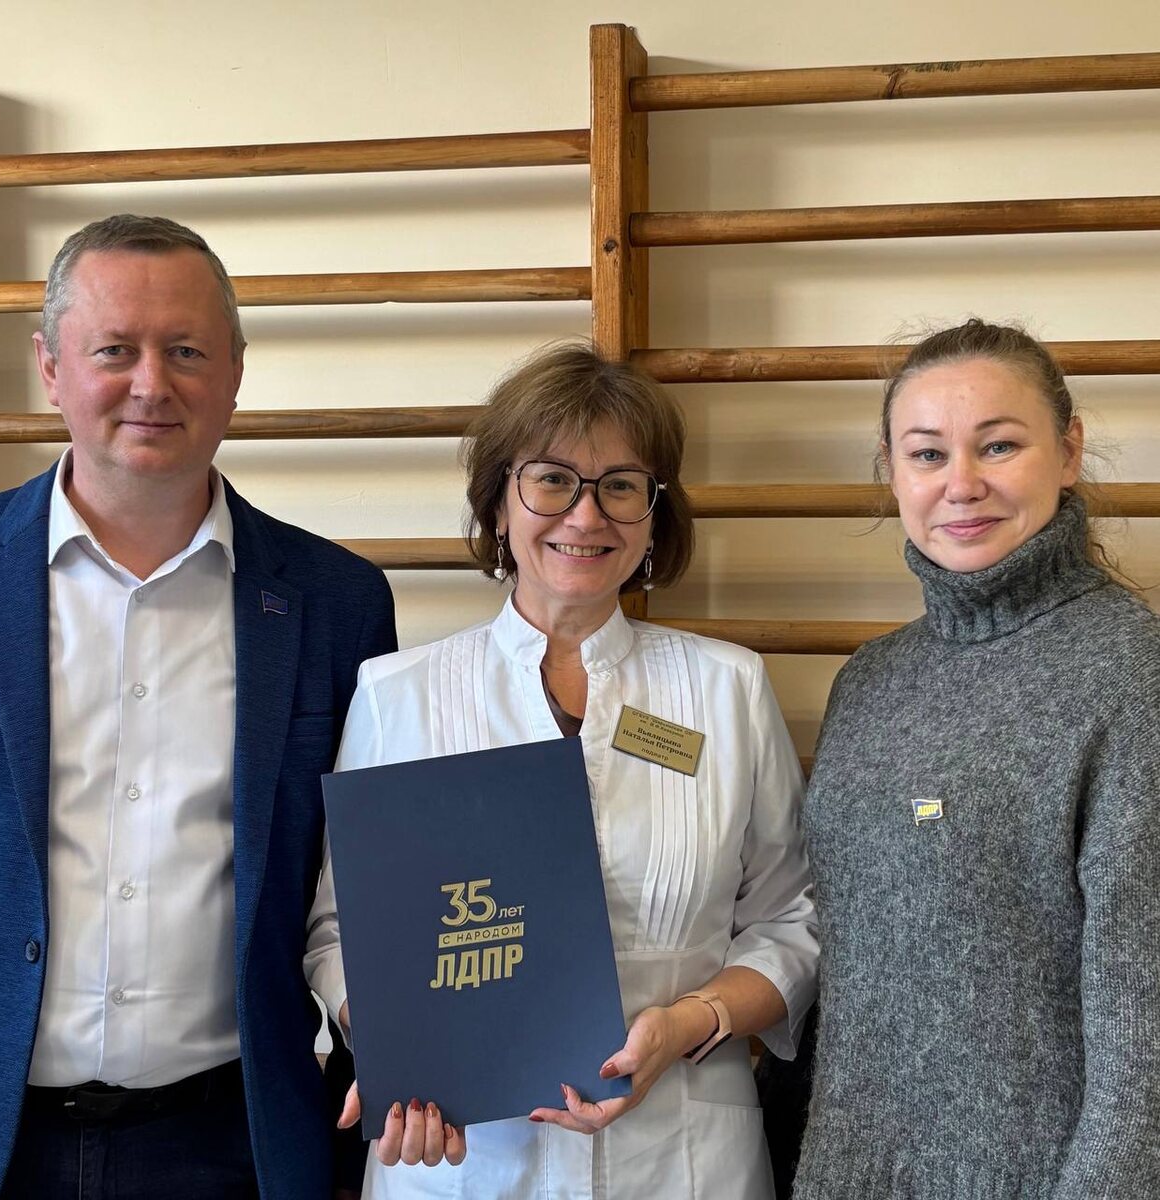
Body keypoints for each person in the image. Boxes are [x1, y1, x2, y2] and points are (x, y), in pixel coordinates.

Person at [304, 342, 819, 1198]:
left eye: (620, 485)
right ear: (498, 503)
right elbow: (338, 931)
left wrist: (691, 1021)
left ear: (654, 515)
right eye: (551, 480)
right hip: (463, 1160)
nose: (586, 516)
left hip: (683, 1159)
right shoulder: (397, 695)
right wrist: (406, 1049)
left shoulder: (726, 688)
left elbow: (791, 918)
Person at [0, 214, 396, 1200]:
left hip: (233, 1145)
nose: (151, 384)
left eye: (186, 351)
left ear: (237, 371)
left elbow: (367, 887)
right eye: (114, 351)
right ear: (50, 367)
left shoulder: (338, 605)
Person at [792, 319, 1160, 1197]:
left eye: (998, 445)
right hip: (848, 1171)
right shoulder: (869, 680)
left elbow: (1144, 1029)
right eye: (928, 454)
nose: (961, 484)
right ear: (892, 472)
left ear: (1068, 452)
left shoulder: (1132, 676)